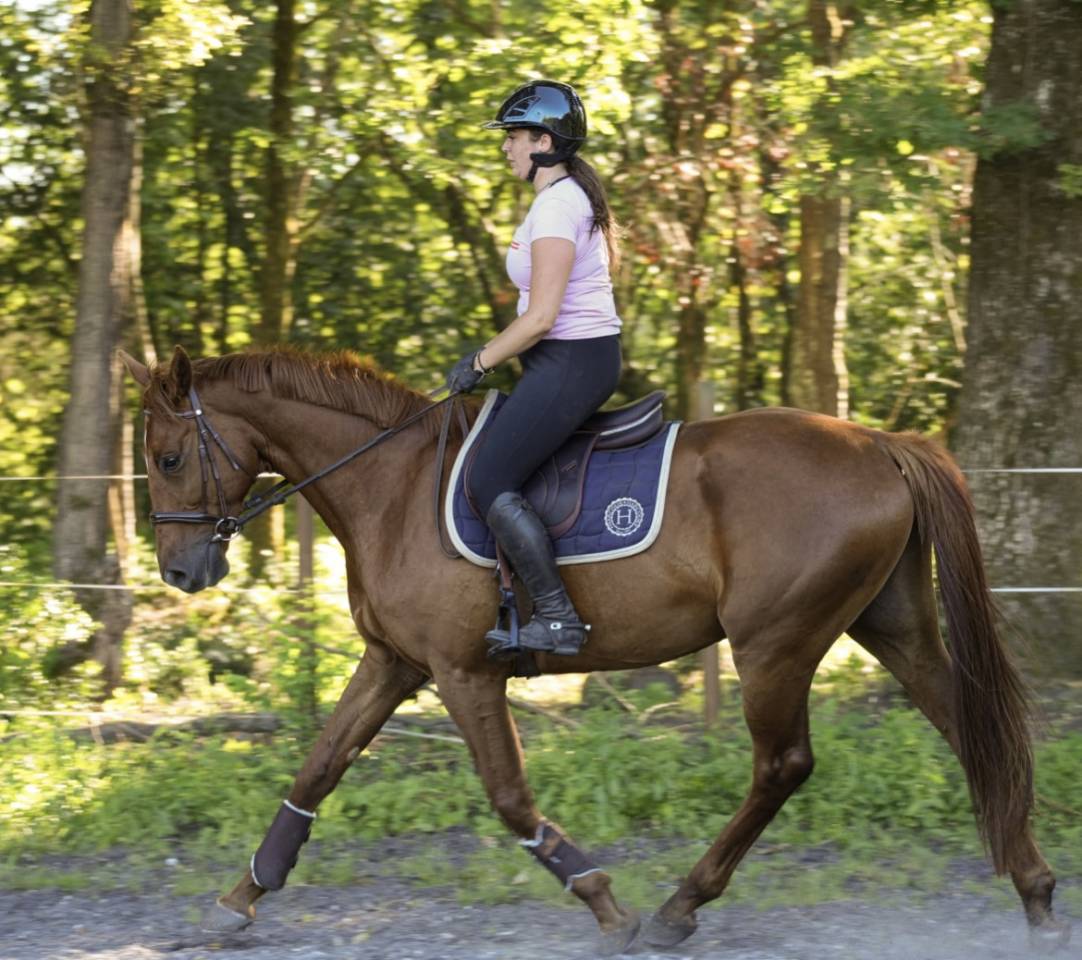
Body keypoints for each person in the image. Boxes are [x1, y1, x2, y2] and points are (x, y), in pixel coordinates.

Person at [445, 79, 622, 660]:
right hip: (560, 361)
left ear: (544, 142)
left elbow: (542, 315)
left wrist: (479, 361)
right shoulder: (559, 200)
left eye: (514, 138)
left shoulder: (557, 205)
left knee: (488, 478)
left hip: (571, 361)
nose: (506, 148)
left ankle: (557, 618)